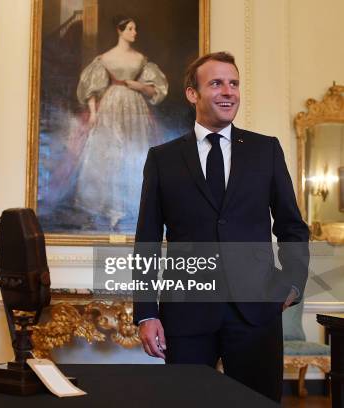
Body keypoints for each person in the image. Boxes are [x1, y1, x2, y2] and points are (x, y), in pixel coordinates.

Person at [133, 52, 309, 402]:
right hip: (186, 313)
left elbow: (292, 226)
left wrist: (291, 283)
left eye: (234, 83)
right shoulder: (163, 159)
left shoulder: (266, 151)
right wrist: (146, 313)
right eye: (216, 83)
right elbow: (148, 240)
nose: (228, 91)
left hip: (256, 314)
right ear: (192, 94)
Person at [74, 16, 168, 230]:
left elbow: (155, 89)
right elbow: (92, 89)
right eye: (131, 28)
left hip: (135, 108)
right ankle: (111, 208)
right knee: (111, 154)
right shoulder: (104, 59)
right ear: (120, 30)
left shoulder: (141, 59)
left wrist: (139, 86)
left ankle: (132, 206)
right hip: (110, 106)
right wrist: (93, 113)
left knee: (133, 151)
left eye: (135, 28)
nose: (135, 32)